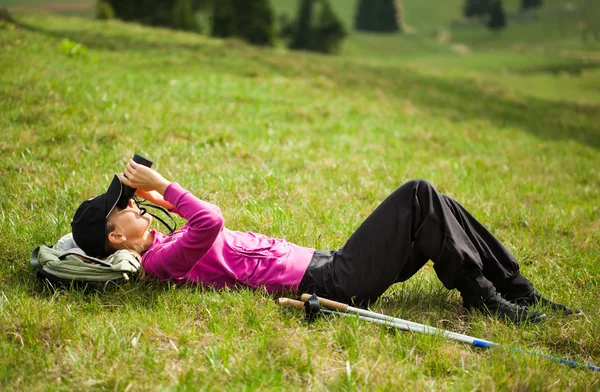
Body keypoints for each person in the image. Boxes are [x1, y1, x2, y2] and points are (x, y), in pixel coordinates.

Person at [71, 159, 580, 324]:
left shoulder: (161, 238)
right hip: (332, 282)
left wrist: (151, 196)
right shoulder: (161, 261)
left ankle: (513, 287)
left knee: (434, 205)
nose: (136, 204)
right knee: (418, 194)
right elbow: (209, 219)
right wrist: (165, 187)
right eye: (126, 206)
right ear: (117, 237)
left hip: (329, 262)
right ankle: (484, 297)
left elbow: (193, 222)